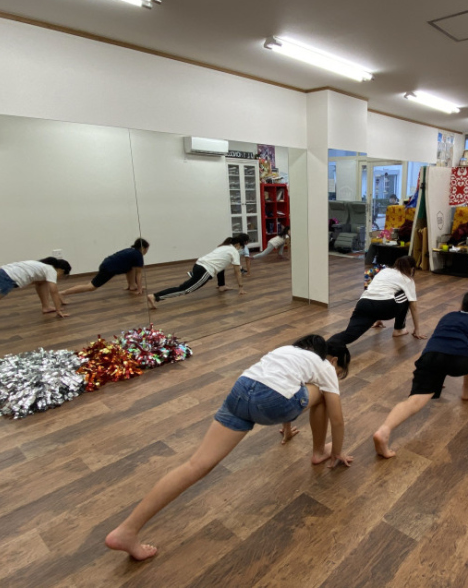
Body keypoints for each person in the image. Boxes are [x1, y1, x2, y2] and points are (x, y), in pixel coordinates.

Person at [104, 335, 353, 560]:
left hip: (241, 390)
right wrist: (338, 451)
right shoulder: (324, 366)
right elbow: (337, 419)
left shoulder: (284, 352)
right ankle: (319, 452)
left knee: (196, 465)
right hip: (274, 401)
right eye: (339, 372)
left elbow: (281, 383)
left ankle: (127, 530)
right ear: (332, 361)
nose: (336, 375)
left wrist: (287, 430)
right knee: (323, 393)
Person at [372, 291, 468, 459]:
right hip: (461, 362)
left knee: (414, 400)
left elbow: (440, 343)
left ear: (461, 305)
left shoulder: (448, 316)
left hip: (431, 357)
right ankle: (467, 391)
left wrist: (435, 376)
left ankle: (384, 429)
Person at [329, 256, 425, 346]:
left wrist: (377, 318)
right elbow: (414, 307)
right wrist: (417, 330)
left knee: (349, 335)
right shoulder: (408, 280)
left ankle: (324, 347)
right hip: (384, 307)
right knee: (408, 296)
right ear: (412, 269)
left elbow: (369, 278)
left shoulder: (384, 270)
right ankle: (399, 329)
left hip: (363, 303)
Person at [147, 237, 246, 309]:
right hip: (205, 271)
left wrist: (222, 285)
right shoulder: (234, 251)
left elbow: (221, 266)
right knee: (185, 289)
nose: (240, 249)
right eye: (241, 247)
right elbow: (237, 272)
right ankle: (155, 297)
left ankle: (221, 286)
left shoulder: (223, 247)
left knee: (186, 286)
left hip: (197, 265)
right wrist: (241, 287)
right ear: (238, 244)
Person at [60, 238, 149, 299]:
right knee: (91, 287)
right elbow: (139, 273)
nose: (146, 251)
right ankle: (63, 293)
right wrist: (140, 289)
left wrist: (134, 285)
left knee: (131, 268)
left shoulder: (131, 251)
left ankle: (132, 285)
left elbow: (130, 269)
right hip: (108, 269)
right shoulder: (138, 255)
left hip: (107, 263)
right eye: (146, 249)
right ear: (142, 248)